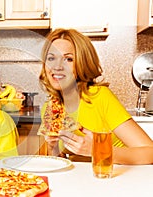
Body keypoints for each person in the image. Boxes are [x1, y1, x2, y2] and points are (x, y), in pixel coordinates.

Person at [39, 28, 153, 165]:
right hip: (83, 181)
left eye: (68, 59)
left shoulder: (99, 96)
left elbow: (150, 153)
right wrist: (53, 147)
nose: (57, 66)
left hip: (116, 177)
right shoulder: (51, 106)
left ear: (82, 63)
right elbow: (63, 162)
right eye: (51, 58)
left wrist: (98, 149)